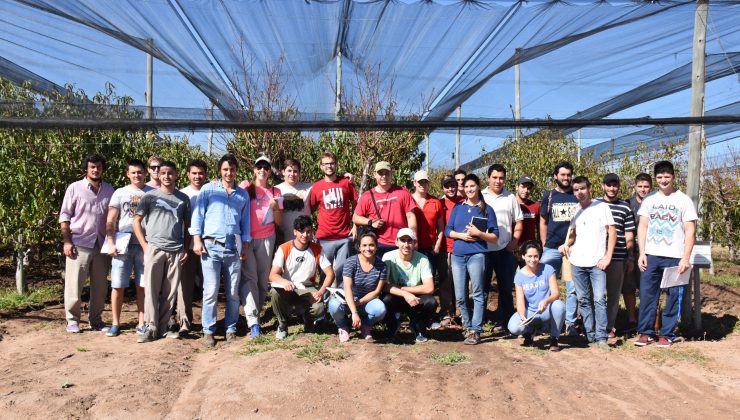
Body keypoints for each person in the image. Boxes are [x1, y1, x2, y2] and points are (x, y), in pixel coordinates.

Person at [190, 154, 251, 347]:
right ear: (220, 171)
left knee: (233, 292)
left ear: (236, 171)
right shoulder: (208, 189)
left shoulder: (242, 194)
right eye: (225, 169)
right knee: (211, 290)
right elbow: (197, 216)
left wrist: (246, 245)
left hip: (233, 247)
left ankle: (230, 328)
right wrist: (196, 239)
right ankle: (208, 330)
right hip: (210, 247)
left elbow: (245, 223)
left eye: (232, 169)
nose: (229, 173)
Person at [635, 161, 696, 348]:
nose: (663, 180)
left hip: (674, 256)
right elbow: (643, 226)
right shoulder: (649, 200)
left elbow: (690, 230)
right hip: (651, 256)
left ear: (674, 177)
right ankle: (645, 332)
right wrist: (642, 253)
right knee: (647, 294)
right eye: (660, 177)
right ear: (656, 179)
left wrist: (685, 257)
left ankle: (667, 333)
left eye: (667, 176)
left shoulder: (683, 200)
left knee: (672, 295)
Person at [133, 161, 190, 343]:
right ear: (159, 175)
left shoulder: (183, 199)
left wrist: (186, 248)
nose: (166, 176)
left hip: (175, 250)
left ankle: (164, 326)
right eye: (163, 173)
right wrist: (144, 245)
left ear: (176, 175)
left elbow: (187, 226)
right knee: (151, 290)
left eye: (170, 173)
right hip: (154, 248)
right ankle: (151, 327)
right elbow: (137, 221)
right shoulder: (150, 197)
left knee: (169, 291)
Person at [59, 154, 114, 333]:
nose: (95, 170)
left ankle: (96, 320)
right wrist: (67, 241)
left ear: (102, 169)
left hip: (101, 244)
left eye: (98, 167)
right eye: (92, 167)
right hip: (79, 243)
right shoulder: (74, 188)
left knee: (100, 286)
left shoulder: (109, 190)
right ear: (86, 169)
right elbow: (65, 216)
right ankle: (72, 320)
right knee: (74, 284)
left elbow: (113, 218)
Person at [560, 176, 616, 348]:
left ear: (589, 188)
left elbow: (612, 233)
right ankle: (590, 335)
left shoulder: (602, 207)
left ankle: (601, 337)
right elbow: (572, 235)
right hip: (577, 262)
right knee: (583, 299)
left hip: (597, 262)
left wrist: (607, 257)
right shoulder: (575, 210)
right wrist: (566, 245)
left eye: (582, 188)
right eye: (576, 190)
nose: (579, 192)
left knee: (599, 299)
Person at [445, 174, 499, 345]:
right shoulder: (458, 208)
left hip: (477, 254)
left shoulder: (486, 209)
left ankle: (476, 329)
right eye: (466, 187)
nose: (469, 189)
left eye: (472, 186)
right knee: (460, 295)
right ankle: (467, 326)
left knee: (477, 293)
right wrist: (462, 235)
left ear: (478, 187)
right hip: (458, 255)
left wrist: (479, 234)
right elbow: (448, 230)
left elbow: (495, 236)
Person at [104, 159, 152, 337]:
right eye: (133, 172)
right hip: (123, 243)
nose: (137, 175)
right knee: (117, 284)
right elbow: (111, 220)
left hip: (144, 244)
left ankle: (142, 322)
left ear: (145, 173)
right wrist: (110, 242)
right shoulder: (120, 193)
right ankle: (115, 323)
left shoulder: (152, 192)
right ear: (128, 174)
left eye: (140, 172)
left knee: (143, 285)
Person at [269, 215, 335, 339]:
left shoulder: (317, 249)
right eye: (301, 231)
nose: (305, 235)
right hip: (289, 288)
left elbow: (330, 273)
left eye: (308, 231)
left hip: (307, 288)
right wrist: (284, 282)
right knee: (274, 292)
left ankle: (308, 319)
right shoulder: (284, 248)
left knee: (319, 308)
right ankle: (282, 324)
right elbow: (273, 274)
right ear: (295, 232)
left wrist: (320, 292)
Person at [239, 155, 282, 338]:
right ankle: (253, 321)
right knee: (249, 278)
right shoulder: (245, 187)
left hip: (267, 238)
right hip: (248, 239)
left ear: (270, 171)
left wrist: (275, 208)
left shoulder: (276, 192)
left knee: (263, 280)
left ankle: (255, 312)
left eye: (266, 167)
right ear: (254, 170)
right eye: (259, 167)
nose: (262, 170)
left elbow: (278, 221)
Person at [539, 161, 579, 336]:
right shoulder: (548, 196)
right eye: (563, 174)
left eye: (569, 174)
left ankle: (569, 324)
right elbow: (543, 221)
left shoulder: (577, 194)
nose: (566, 178)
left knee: (572, 288)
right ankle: (545, 322)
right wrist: (543, 243)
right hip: (551, 248)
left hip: (572, 249)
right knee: (544, 286)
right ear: (555, 176)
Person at [481, 164, 523, 328]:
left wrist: (514, 242)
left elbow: (518, 221)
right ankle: (480, 320)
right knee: (482, 288)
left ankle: (506, 321)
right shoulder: (481, 196)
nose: (498, 181)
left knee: (505, 288)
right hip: (484, 250)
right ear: (488, 178)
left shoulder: (510, 197)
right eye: (495, 177)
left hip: (505, 250)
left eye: (501, 178)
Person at [328, 231, 387, 342]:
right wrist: (354, 312)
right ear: (359, 247)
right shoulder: (351, 262)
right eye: (364, 245)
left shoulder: (382, 266)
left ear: (376, 247)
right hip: (346, 298)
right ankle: (343, 326)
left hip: (365, 300)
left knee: (380, 309)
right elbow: (347, 288)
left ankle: (365, 326)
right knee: (333, 305)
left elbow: (376, 291)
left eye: (371, 245)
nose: (368, 248)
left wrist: (359, 303)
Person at [596, 173, 635, 338]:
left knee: (613, 294)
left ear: (618, 187)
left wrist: (630, 256)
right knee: (595, 294)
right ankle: (593, 325)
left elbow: (629, 235)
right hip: (596, 256)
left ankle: (609, 327)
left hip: (618, 257)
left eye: (615, 185)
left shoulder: (625, 207)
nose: (612, 188)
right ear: (603, 186)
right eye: (608, 185)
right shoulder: (594, 204)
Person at [507, 240, 565, 352]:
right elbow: (520, 301)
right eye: (529, 256)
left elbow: (556, 293)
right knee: (513, 327)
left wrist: (546, 301)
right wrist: (522, 315)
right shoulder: (519, 276)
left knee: (559, 306)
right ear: (523, 256)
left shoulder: (548, 269)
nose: (533, 260)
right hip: (531, 312)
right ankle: (529, 331)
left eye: (536, 256)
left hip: (546, 310)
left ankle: (554, 338)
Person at [382, 228, 437, 342]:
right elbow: (384, 286)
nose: (406, 244)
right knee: (386, 299)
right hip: (397, 297)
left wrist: (406, 291)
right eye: (402, 240)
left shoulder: (422, 259)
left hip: (415, 298)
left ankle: (418, 325)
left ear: (415, 243)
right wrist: (405, 294)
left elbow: (430, 287)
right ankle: (392, 327)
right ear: (396, 242)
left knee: (431, 302)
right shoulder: (388, 257)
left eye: (409, 241)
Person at [309, 152, 357, 282]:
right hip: (324, 237)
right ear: (321, 166)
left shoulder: (346, 183)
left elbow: (356, 205)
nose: (329, 166)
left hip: (344, 236)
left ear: (336, 164)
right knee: (324, 273)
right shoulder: (317, 187)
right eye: (326, 164)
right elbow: (310, 209)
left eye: (331, 163)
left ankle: (341, 300)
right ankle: (322, 300)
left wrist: (355, 226)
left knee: (344, 272)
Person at [353, 161, 417, 257]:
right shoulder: (367, 196)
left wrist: (414, 238)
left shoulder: (402, 192)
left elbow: (411, 216)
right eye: (380, 173)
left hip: (400, 243)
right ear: (375, 175)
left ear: (391, 174)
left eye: (387, 173)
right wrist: (371, 222)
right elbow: (355, 218)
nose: (384, 176)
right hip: (377, 244)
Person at [176, 158, 208, 335]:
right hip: (186, 246)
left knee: (208, 285)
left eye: (201, 173)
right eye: (194, 173)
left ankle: (207, 322)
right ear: (188, 174)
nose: (197, 176)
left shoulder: (211, 191)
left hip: (208, 247)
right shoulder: (181, 194)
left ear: (206, 174)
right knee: (184, 286)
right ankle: (184, 322)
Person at [624, 172, 652, 332]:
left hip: (648, 252)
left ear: (650, 188)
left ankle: (647, 321)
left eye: (646, 186)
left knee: (647, 287)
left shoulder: (655, 203)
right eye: (640, 186)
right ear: (635, 187)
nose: (643, 189)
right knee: (628, 287)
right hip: (630, 251)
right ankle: (631, 319)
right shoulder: (628, 204)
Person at [436, 174, 462, 327]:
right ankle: (447, 312)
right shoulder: (439, 203)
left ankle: (461, 312)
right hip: (445, 248)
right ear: (442, 188)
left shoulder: (464, 202)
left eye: (453, 185)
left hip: (461, 248)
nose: (451, 188)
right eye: (447, 186)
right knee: (445, 281)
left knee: (461, 282)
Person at [410, 170, 445, 281]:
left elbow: (440, 226)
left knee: (428, 279)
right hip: (410, 247)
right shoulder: (408, 200)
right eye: (420, 182)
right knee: (413, 280)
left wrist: (438, 244)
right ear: (414, 183)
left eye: (425, 182)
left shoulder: (435, 202)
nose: (422, 184)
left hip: (429, 249)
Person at [276, 158, 312, 242]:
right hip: (283, 239)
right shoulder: (276, 190)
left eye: (295, 171)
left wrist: (345, 177)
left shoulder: (309, 187)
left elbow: (327, 183)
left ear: (299, 173)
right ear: (283, 172)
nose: (292, 174)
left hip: (304, 238)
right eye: (289, 171)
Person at [515, 176, 540, 245]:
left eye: (528, 188)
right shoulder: (509, 205)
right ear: (517, 187)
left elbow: (540, 229)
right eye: (523, 187)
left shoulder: (536, 206)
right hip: (512, 248)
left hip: (530, 249)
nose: (526, 190)